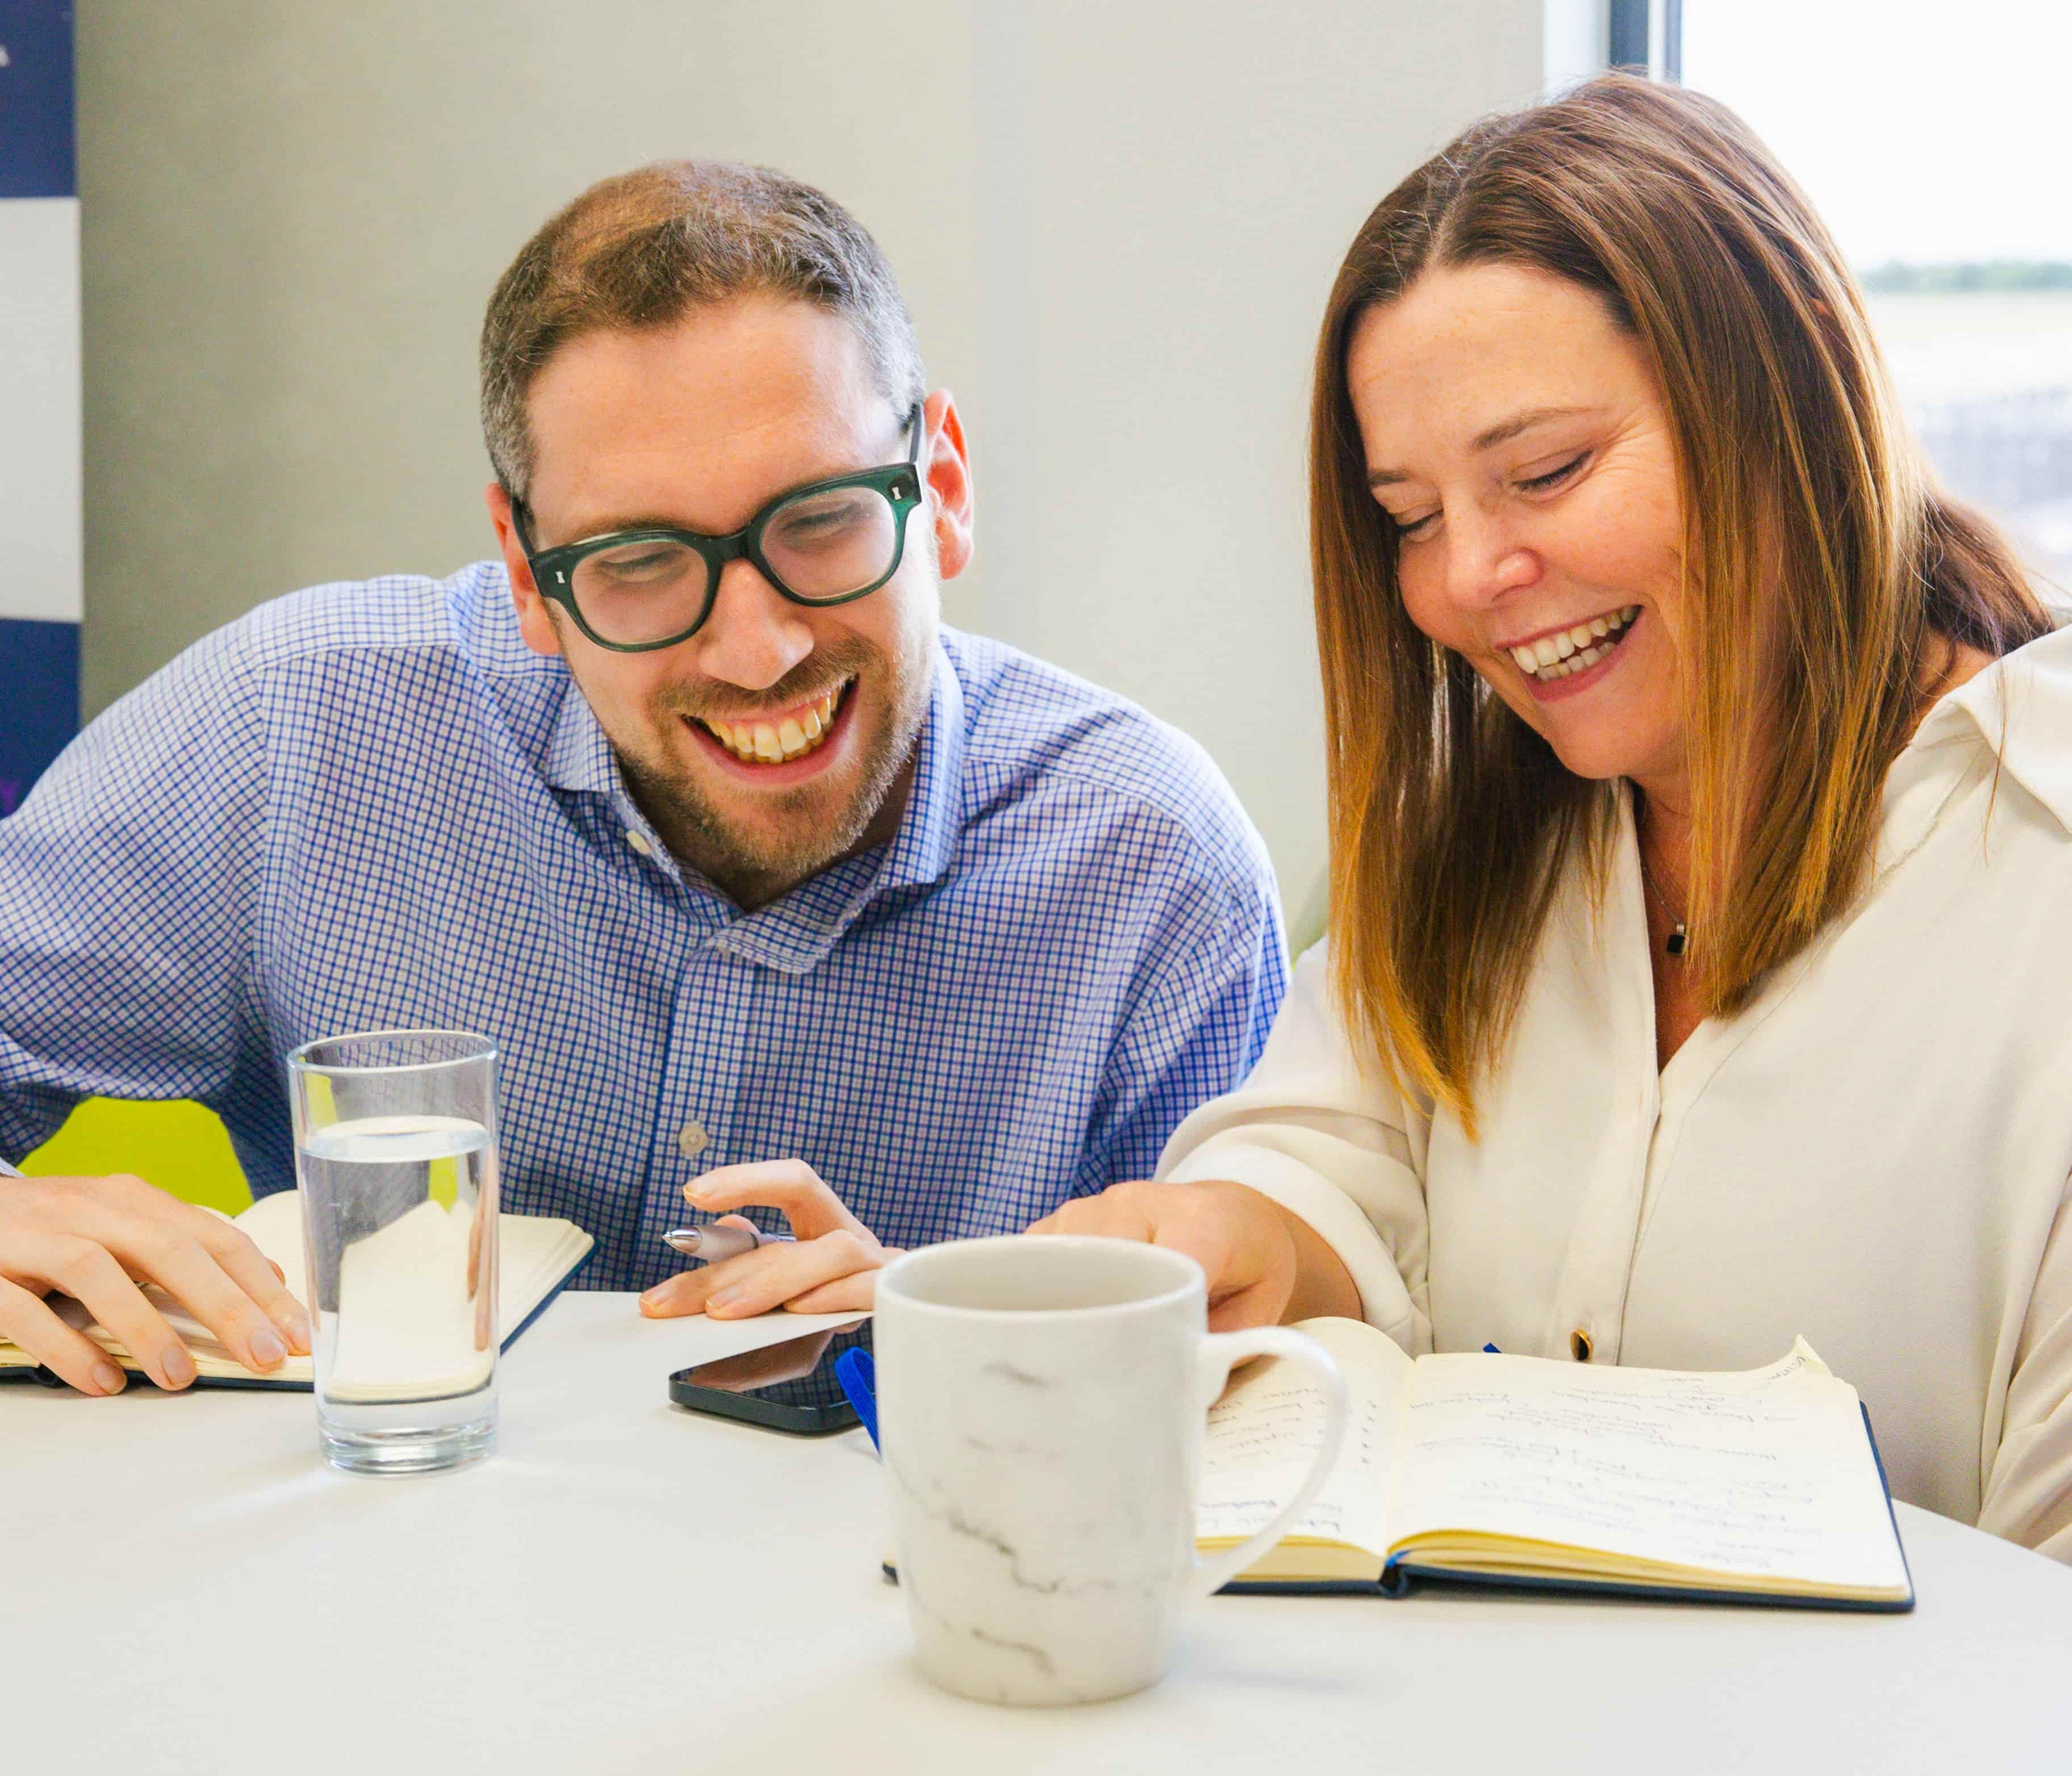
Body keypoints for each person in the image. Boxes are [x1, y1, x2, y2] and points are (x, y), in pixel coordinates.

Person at [0, 161, 1284, 1393]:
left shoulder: (1154, 867)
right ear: (526, 571)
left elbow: (1228, 1392)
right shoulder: (296, 728)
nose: (759, 648)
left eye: (824, 516)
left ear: (939, 488)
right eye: (637, 561)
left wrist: (952, 1335)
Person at [1035, 74, 2072, 1556]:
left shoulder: (2035, 877)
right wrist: (1243, 1233)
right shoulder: (1495, 836)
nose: (1465, 581)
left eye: (1547, 472)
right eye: (1408, 517)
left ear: (1783, 405)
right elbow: (1339, 1141)